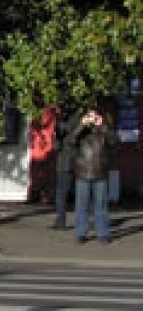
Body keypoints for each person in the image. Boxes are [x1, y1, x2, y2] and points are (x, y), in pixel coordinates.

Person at [65, 100, 119, 244]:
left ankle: (103, 233)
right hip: (83, 172)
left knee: (101, 206)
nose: (92, 117)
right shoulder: (80, 127)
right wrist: (82, 125)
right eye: (90, 115)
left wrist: (103, 126)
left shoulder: (104, 127)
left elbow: (114, 141)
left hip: (100, 172)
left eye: (94, 115)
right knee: (81, 206)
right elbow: (70, 141)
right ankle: (81, 233)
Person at [51, 107, 76, 230]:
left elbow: (56, 147)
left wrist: (55, 136)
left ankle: (61, 221)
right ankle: (60, 221)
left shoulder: (62, 126)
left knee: (61, 194)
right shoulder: (74, 122)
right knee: (63, 194)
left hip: (65, 164)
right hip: (70, 162)